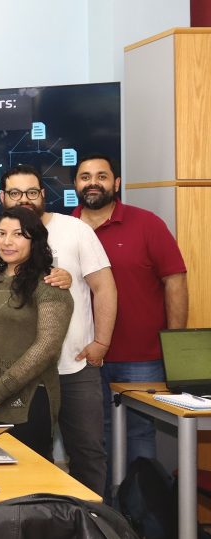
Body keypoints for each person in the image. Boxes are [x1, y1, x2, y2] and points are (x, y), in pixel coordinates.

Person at [0, 164, 116, 495]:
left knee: (87, 452)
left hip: (74, 366)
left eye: (31, 192)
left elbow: (104, 287)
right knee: (26, 459)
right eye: (15, 193)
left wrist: (101, 342)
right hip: (22, 375)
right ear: (3, 198)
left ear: (43, 194)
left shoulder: (75, 230)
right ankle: (37, 519)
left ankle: (92, 520)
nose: (24, 199)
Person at [71, 153, 188, 483]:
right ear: (75, 184)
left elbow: (175, 281)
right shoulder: (65, 229)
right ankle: (103, 510)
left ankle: (137, 511)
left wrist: (175, 348)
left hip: (142, 358)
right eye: (85, 177)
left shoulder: (147, 224)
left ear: (117, 183)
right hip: (82, 359)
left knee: (139, 435)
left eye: (102, 176)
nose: (93, 183)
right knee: (93, 438)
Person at [0, 206, 73, 460]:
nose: (7, 241)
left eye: (18, 234)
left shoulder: (50, 285)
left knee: (30, 476)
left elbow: (47, 346)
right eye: (1, 233)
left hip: (30, 401)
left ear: (35, 240)